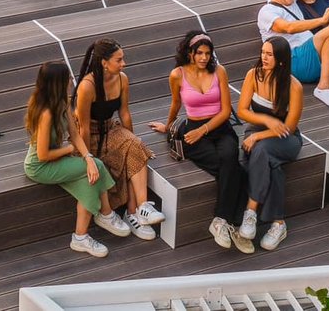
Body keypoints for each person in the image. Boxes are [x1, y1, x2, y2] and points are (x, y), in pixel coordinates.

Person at [149, 32, 249, 252]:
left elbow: (225, 112)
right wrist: (168, 126)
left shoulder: (219, 71)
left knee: (230, 157)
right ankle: (233, 224)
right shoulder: (177, 75)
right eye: (200, 53)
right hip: (192, 129)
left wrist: (204, 130)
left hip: (219, 128)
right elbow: (176, 103)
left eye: (208, 53)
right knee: (236, 171)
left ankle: (220, 220)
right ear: (190, 53)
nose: (204, 58)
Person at [23, 61, 129, 258]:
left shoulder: (61, 102)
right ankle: (106, 214)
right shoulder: (45, 113)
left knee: (90, 177)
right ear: (58, 82)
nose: (73, 81)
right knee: (97, 165)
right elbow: (42, 155)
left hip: (56, 158)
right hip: (40, 167)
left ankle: (80, 237)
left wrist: (87, 156)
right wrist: (71, 150)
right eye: (69, 78)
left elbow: (75, 132)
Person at [73, 38, 166, 239]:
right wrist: (88, 157)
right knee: (113, 158)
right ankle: (130, 213)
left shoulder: (122, 79)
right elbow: (84, 127)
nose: (123, 64)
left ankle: (142, 208)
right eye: (119, 60)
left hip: (110, 128)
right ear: (104, 63)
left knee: (136, 146)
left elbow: (124, 113)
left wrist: (131, 139)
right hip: (88, 135)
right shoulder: (87, 86)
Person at [236, 37, 304, 252]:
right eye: (262, 52)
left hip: (286, 138)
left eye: (269, 54)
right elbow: (242, 111)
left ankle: (251, 210)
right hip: (256, 129)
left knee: (261, 150)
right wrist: (265, 121)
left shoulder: (294, 86)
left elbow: (290, 128)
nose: (263, 58)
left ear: (281, 60)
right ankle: (278, 223)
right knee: (270, 163)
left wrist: (258, 137)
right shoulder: (253, 75)